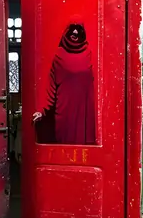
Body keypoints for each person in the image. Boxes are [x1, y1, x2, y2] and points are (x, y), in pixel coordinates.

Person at [32, 16, 96, 145]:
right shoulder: (59, 55)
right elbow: (51, 87)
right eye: (72, 28)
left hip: (84, 115)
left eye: (78, 29)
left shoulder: (89, 54)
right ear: (67, 31)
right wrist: (42, 111)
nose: (75, 32)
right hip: (64, 114)